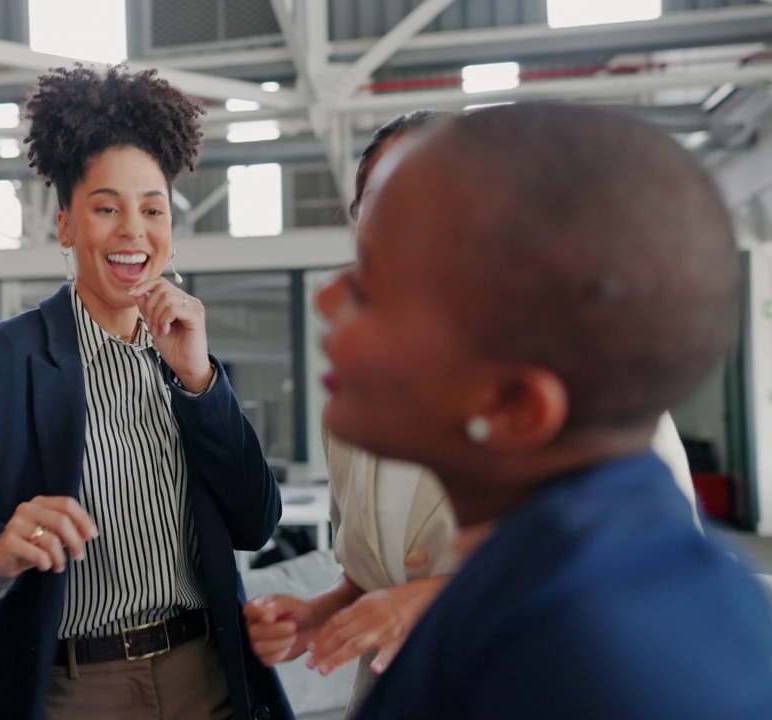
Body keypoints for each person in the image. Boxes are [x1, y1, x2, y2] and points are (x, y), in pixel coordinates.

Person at [0, 65, 290, 720]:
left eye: (152, 209)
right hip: (74, 687)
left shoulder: (189, 360)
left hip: (210, 674)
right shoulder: (3, 357)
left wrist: (202, 383)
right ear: (65, 226)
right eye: (107, 207)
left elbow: (257, 523)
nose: (133, 231)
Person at [319, 103, 772, 718]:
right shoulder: (571, 583)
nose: (325, 298)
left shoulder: (573, 667)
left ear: (513, 406)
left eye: (378, 289)